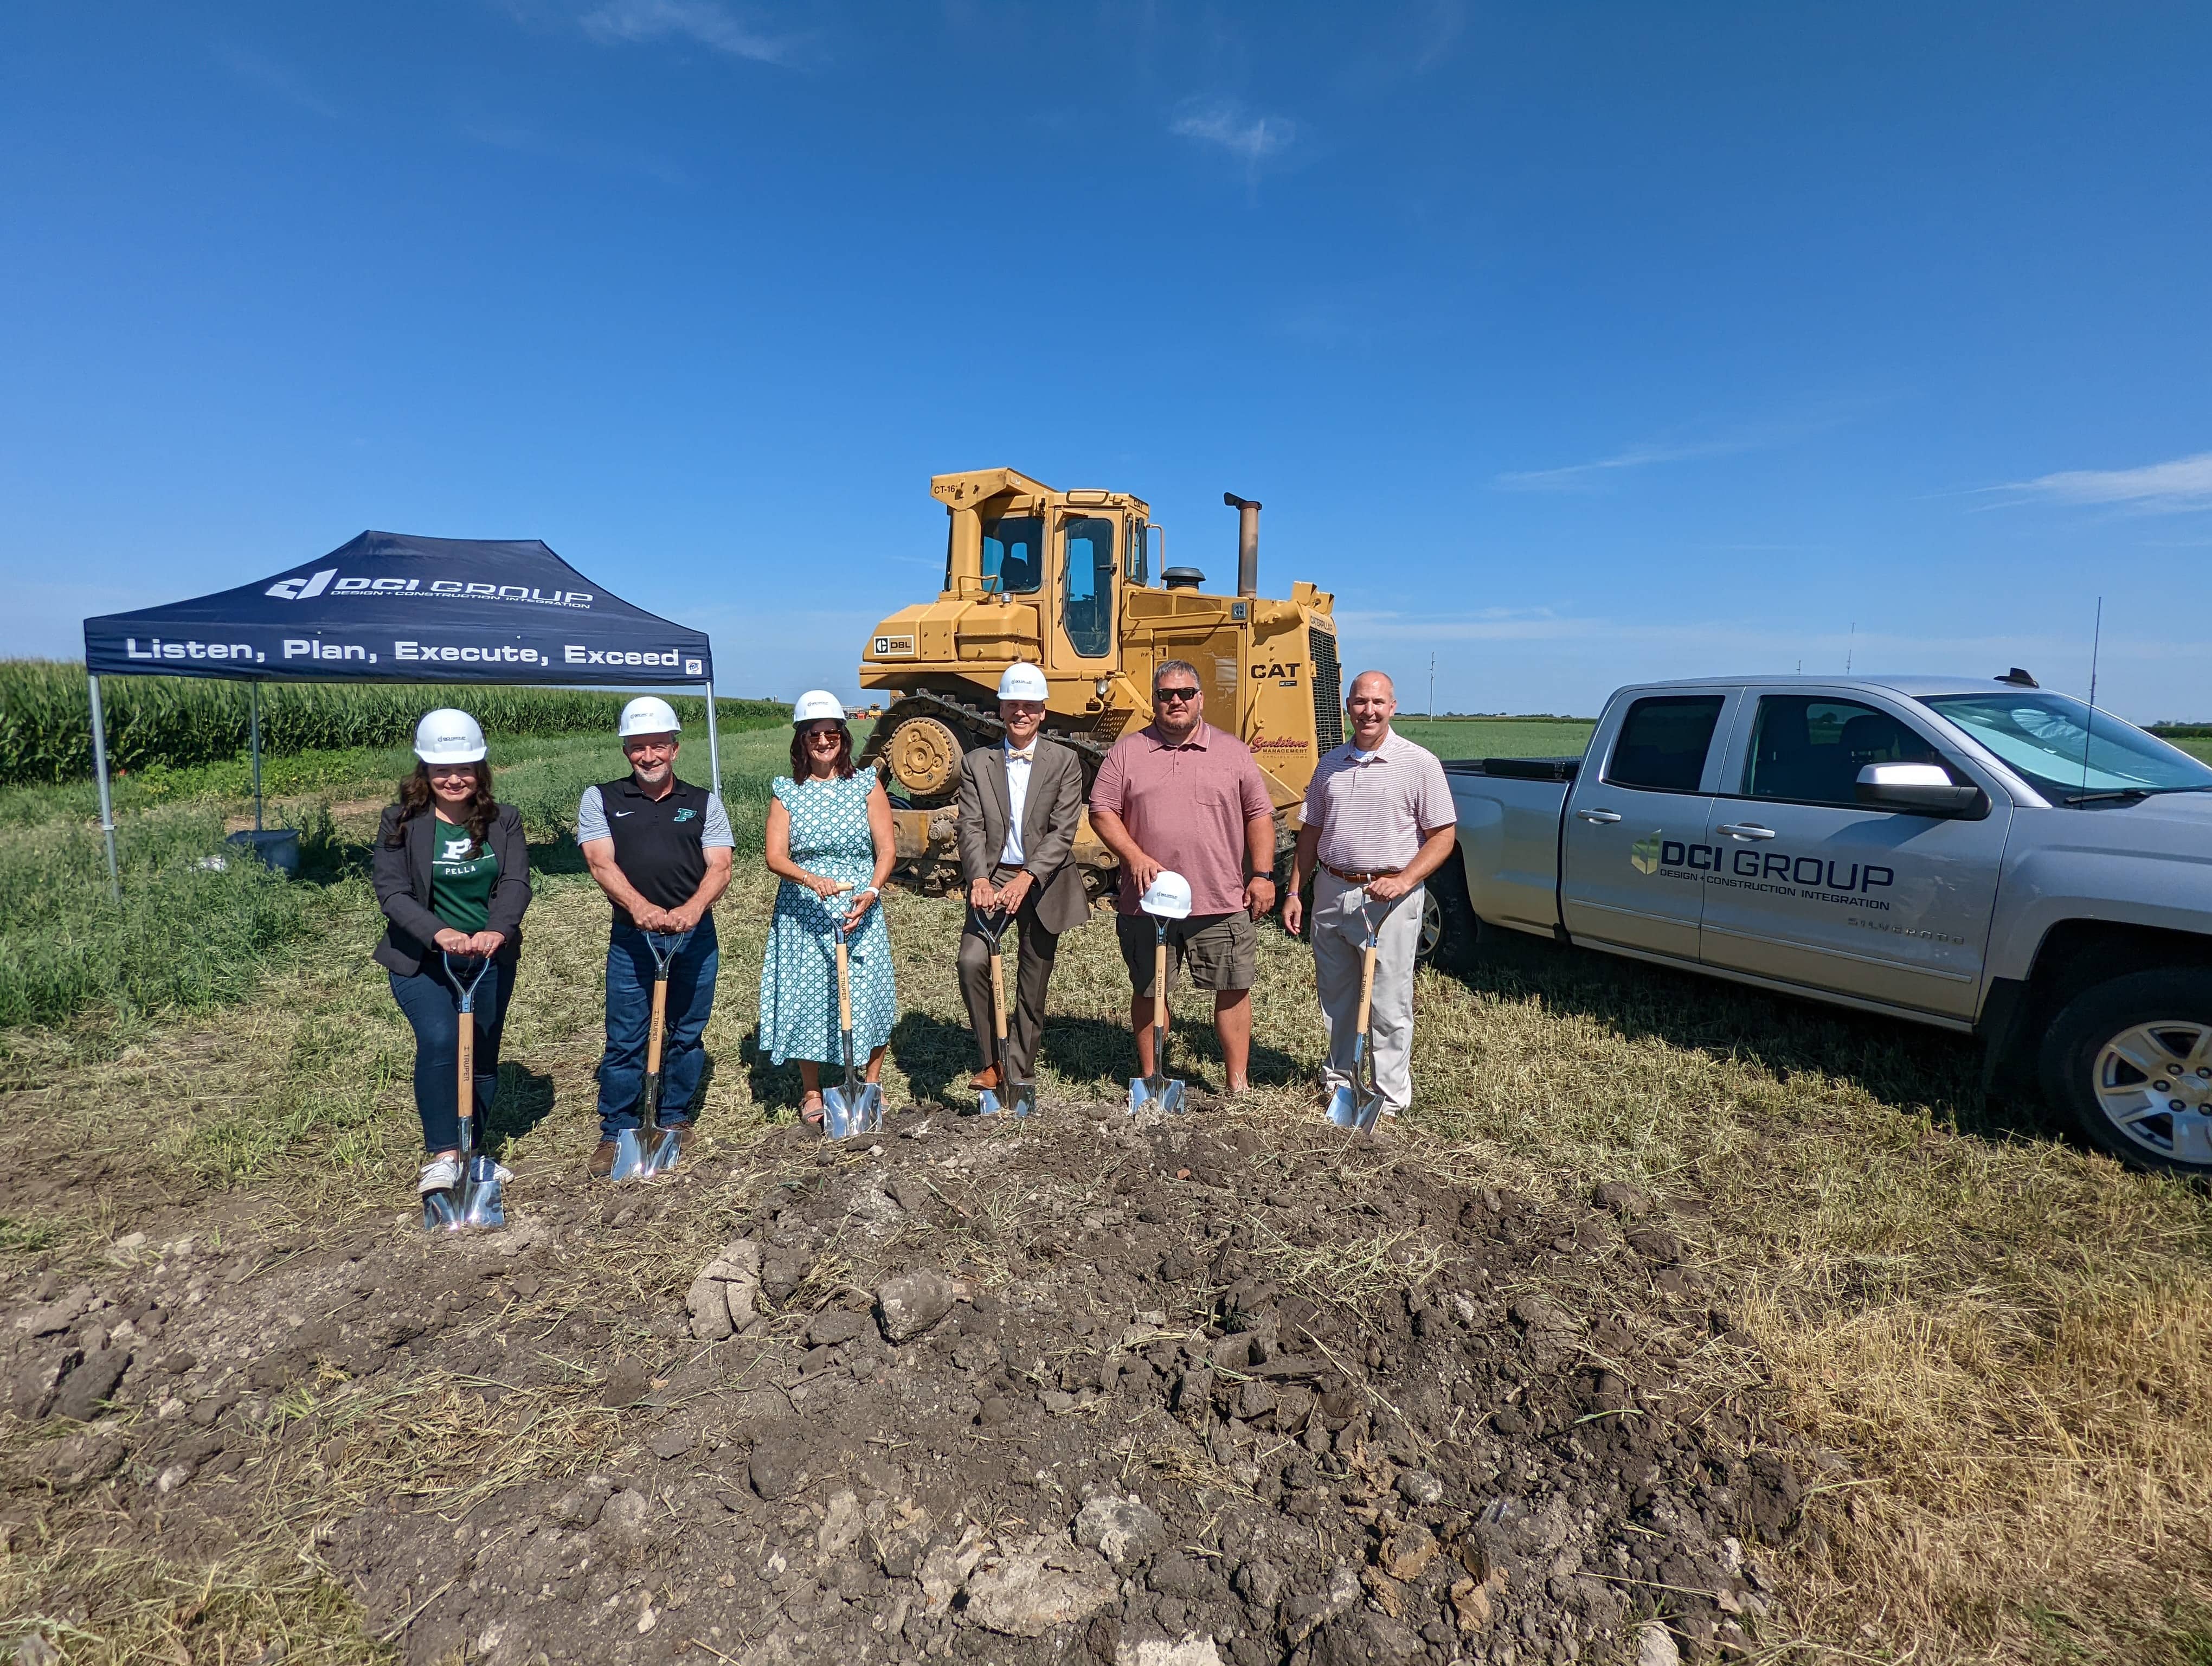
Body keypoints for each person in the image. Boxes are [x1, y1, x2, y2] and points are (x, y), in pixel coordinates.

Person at [1089, 660, 1278, 1094]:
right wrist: (1134, 856)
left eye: (1185, 693)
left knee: (1232, 986)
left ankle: (1237, 1083)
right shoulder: (1128, 751)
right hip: (1148, 899)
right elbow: (1102, 810)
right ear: (1154, 700)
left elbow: (1259, 816)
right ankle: (1151, 1075)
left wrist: (1263, 874)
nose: (1176, 701)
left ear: (1200, 699)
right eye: (1166, 694)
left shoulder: (1232, 752)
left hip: (1220, 897)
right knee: (1150, 990)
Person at [1282, 670, 1458, 1126]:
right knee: (1337, 995)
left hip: (1389, 899)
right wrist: (1295, 890)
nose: (1369, 711)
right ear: (1348, 706)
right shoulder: (1330, 764)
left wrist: (1403, 880)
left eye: (1378, 703)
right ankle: (1341, 1082)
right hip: (1331, 889)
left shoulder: (1419, 764)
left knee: (1387, 1000)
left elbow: (1443, 837)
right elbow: (1311, 833)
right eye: (1360, 702)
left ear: (1393, 707)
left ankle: (1390, 1096)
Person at [372, 709, 532, 1195]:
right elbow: (393, 892)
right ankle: (444, 1154)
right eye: (442, 769)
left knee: (482, 1055)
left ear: (480, 770)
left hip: (486, 958)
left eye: (464, 768)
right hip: (422, 959)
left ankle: (472, 1151)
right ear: (424, 771)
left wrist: (497, 931)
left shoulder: (503, 821)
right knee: (443, 1042)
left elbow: (515, 882)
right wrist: (439, 933)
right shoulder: (400, 823)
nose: (454, 778)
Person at [577, 696, 735, 1176]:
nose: (649, 756)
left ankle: (673, 1118)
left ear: (675, 748)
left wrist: (692, 908)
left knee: (687, 1032)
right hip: (632, 938)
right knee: (626, 1036)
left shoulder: (703, 802)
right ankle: (618, 1129)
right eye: (638, 747)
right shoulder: (601, 798)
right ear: (627, 750)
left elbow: (721, 865)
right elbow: (600, 862)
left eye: (658, 746)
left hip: (693, 936)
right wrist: (640, 907)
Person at [760, 691, 898, 1125]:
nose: (824, 742)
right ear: (801, 741)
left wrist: (872, 892)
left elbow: (887, 850)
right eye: (814, 735)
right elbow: (775, 856)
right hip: (805, 910)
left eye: (832, 733)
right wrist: (810, 879)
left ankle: (870, 1084)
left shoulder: (866, 784)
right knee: (808, 997)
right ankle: (813, 1091)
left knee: (870, 993)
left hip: (860, 905)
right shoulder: (787, 791)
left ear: (844, 736)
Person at [955, 663, 1089, 1103]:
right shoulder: (977, 762)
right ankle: (992, 1060)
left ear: (1043, 712)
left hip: (1044, 880)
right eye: (1014, 704)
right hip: (993, 876)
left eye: (1030, 706)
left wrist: (1029, 877)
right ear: (1001, 708)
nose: (1021, 713)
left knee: (1033, 978)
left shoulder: (1065, 761)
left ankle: (1020, 1070)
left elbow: (1063, 831)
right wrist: (978, 876)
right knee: (972, 961)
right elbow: (970, 826)